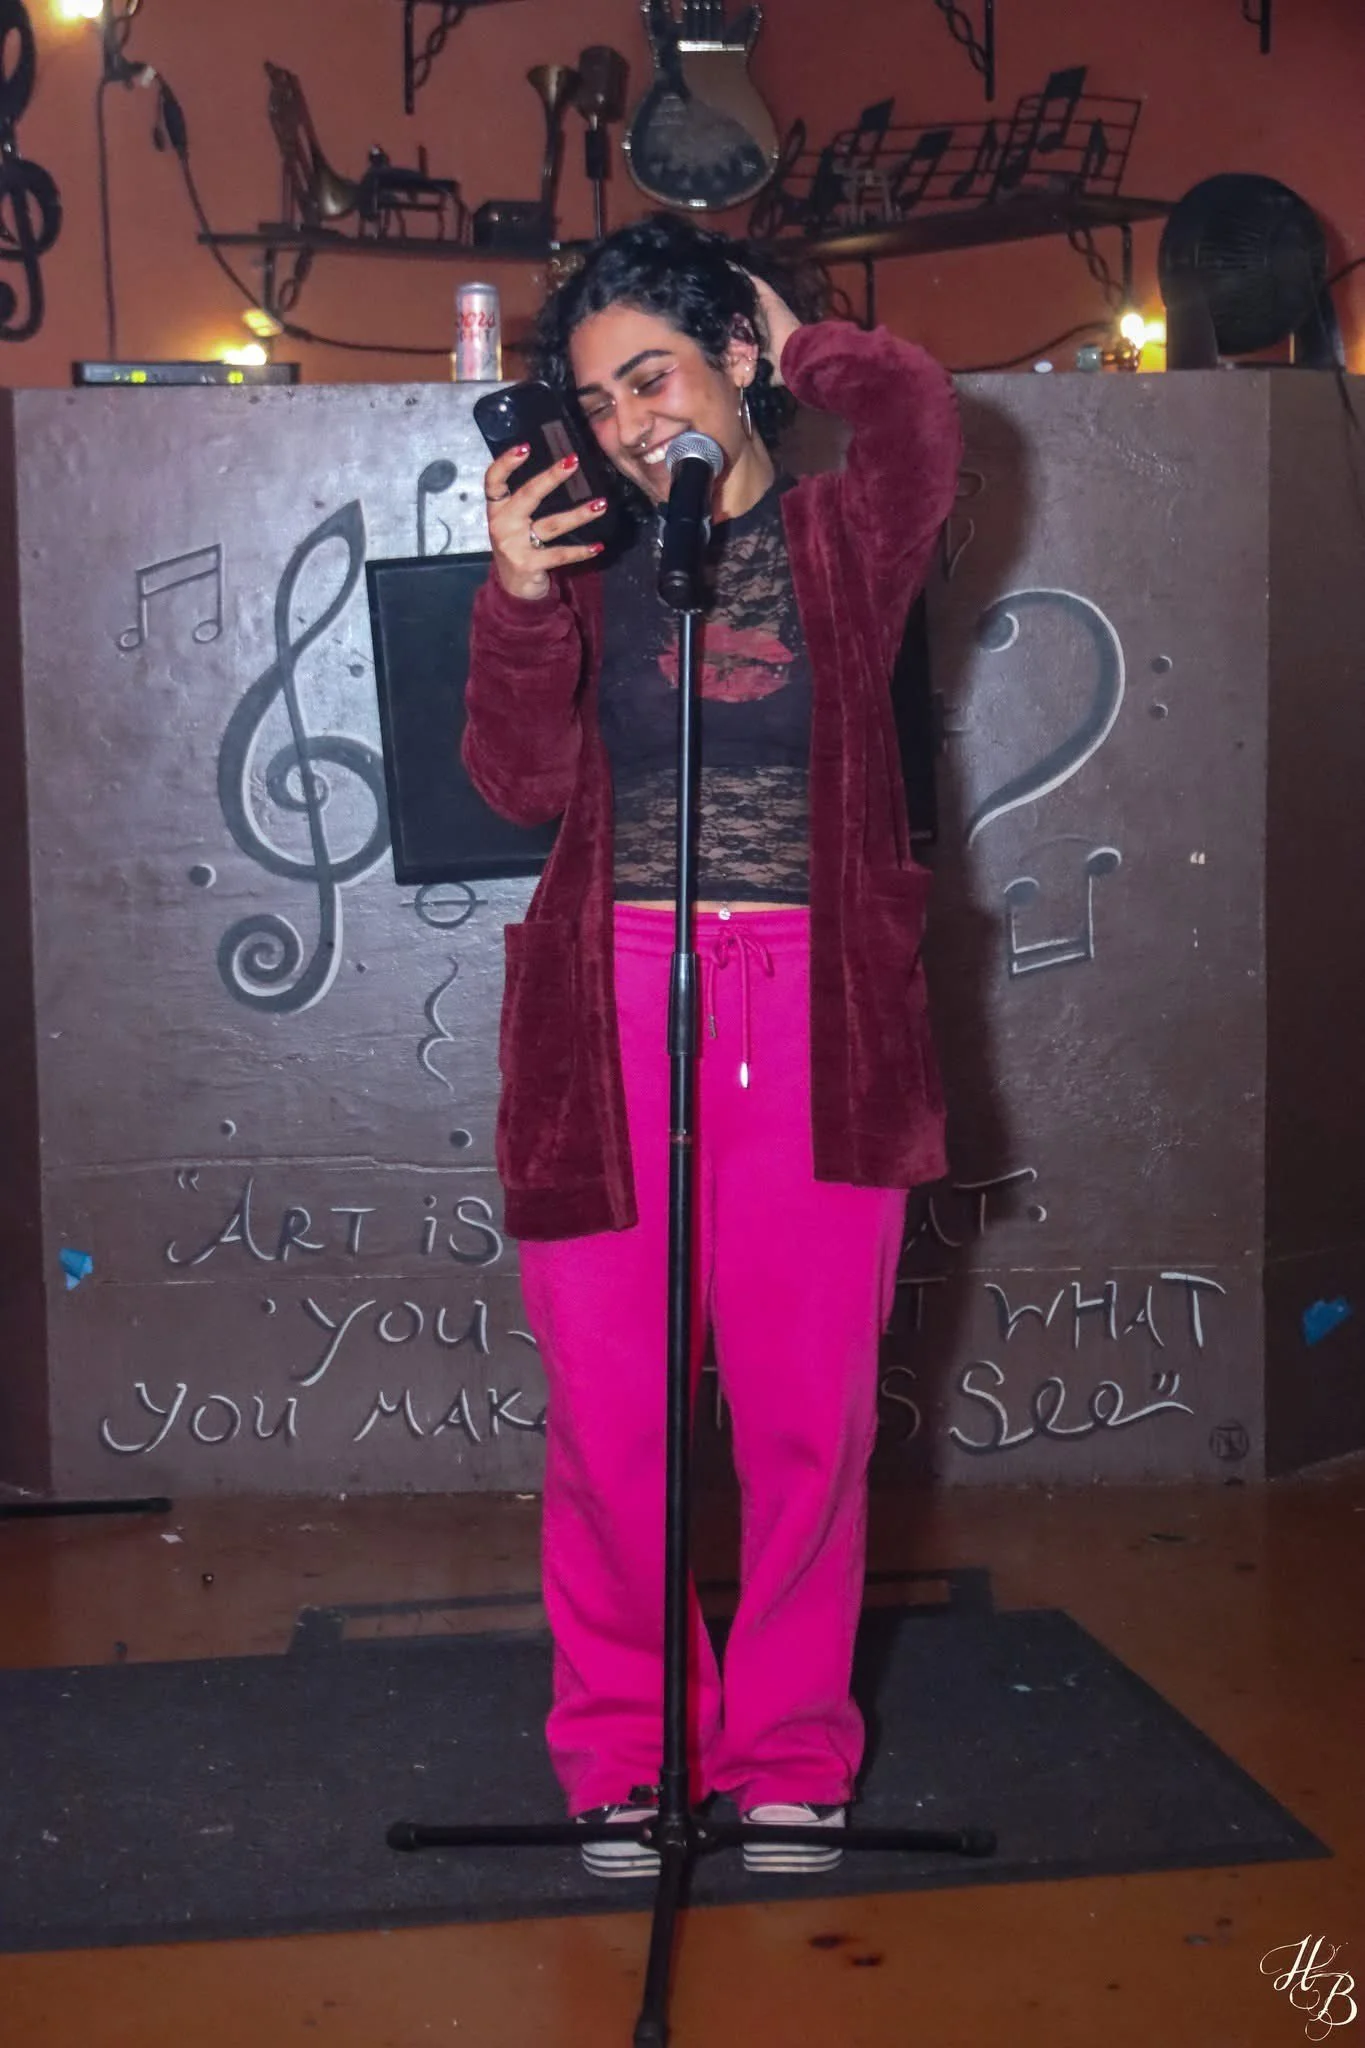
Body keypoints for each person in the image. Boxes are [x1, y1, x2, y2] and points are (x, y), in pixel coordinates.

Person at [463, 214, 961, 1879]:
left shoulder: (843, 537)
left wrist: (801, 332)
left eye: (655, 375)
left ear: (738, 360)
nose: (627, 422)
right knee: (613, 1427)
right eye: (598, 399)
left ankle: (791, 1755)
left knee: (809, 1421)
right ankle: (623, 1752)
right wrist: (520, 593)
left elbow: (920, 421)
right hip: (606, 1018)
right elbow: (518, 783)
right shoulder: (589, 560)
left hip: (817, 1017)